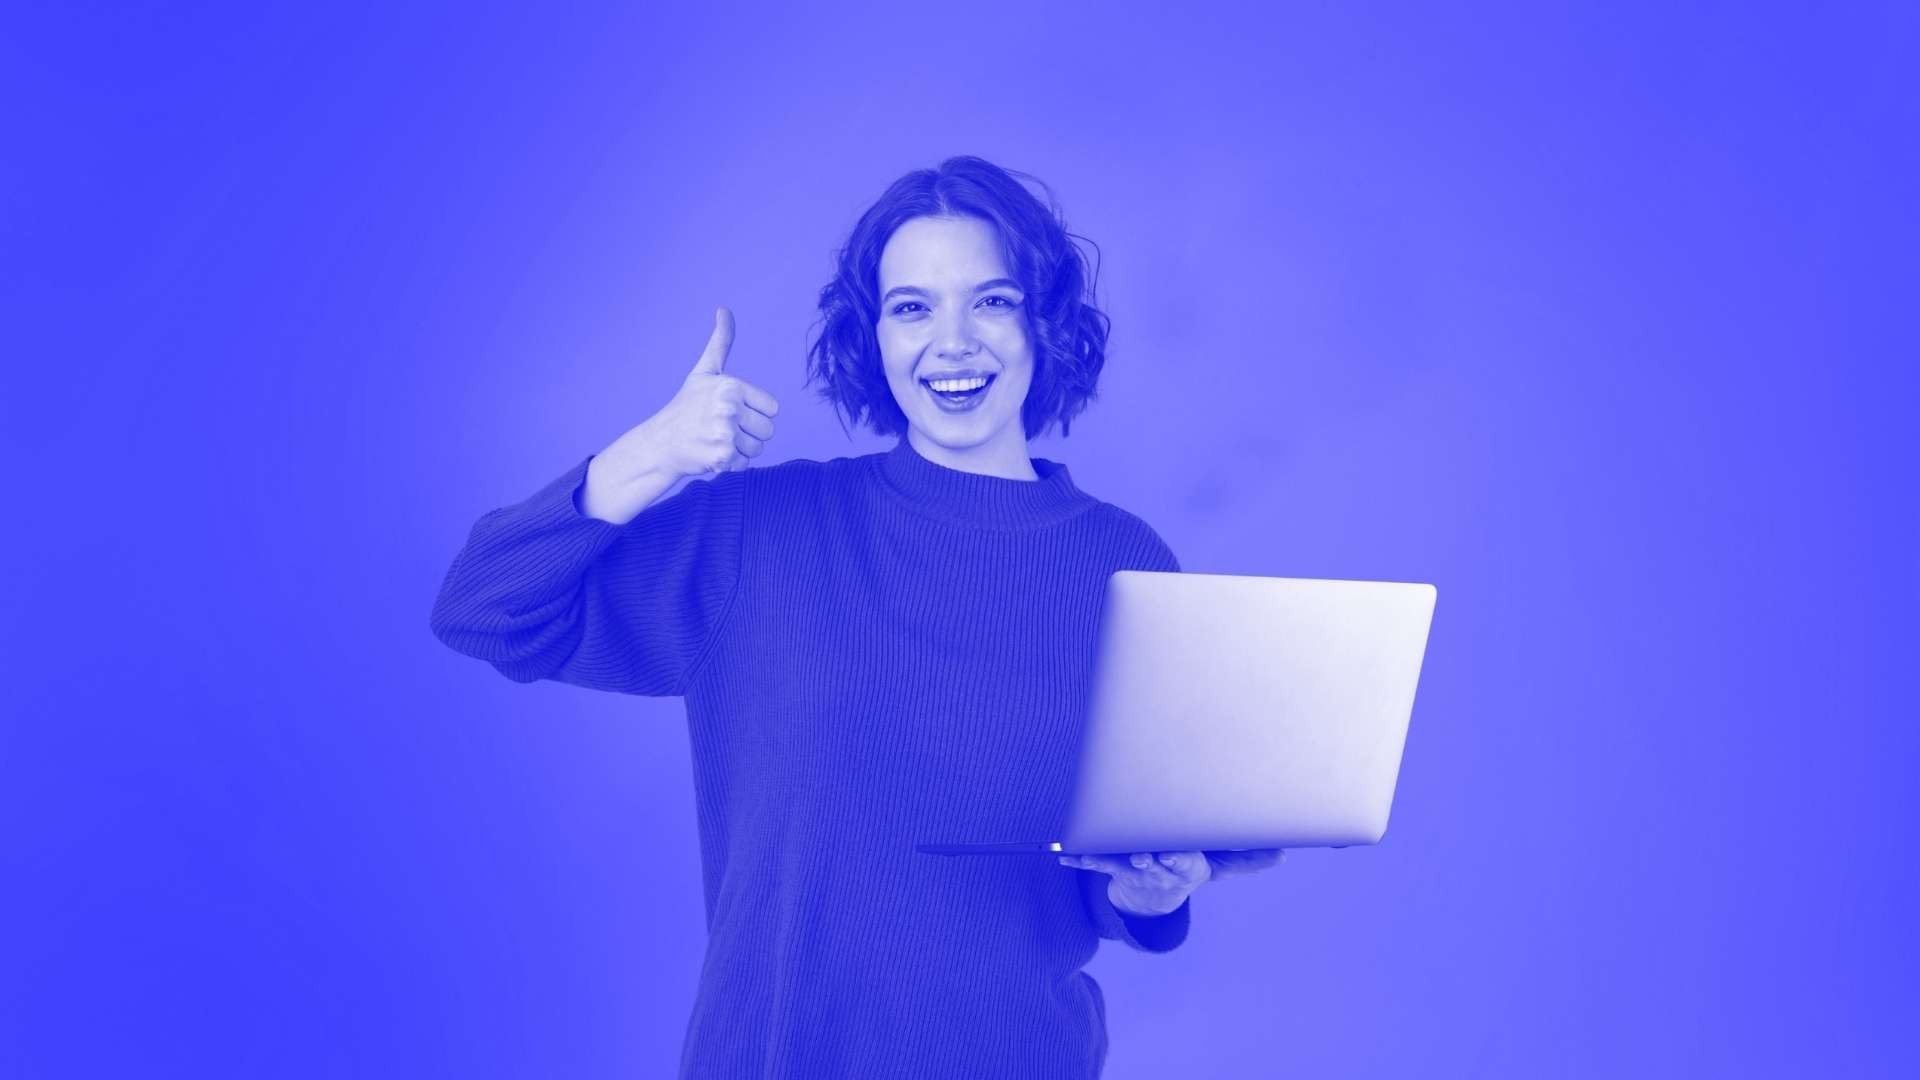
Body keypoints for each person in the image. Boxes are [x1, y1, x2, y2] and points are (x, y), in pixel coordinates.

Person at [430, 155, 1283, 1078]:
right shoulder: (762, 531)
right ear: (870, 337)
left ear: (1044, 324)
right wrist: (649, 457)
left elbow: (1113, 890)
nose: (951, 343)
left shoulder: (1121, 564)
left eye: (990, 301)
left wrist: (1154, 894)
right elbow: (485, 608)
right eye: (912, 307)